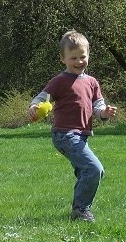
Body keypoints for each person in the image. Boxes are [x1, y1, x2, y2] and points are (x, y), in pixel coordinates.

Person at [28, 30, 117, 222]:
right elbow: (42, 97)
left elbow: (97, 106)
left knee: (87, 171)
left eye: (82, 56)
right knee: (94, 169)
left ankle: (79, 209)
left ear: (88, 55)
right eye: (73, 57)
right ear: (63, 59)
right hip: (64, 135)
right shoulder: (59, 81)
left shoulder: (92, 82)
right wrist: (35, 106)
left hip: (81, 135)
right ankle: (81, 210)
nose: (79, 61)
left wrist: (104, 113)